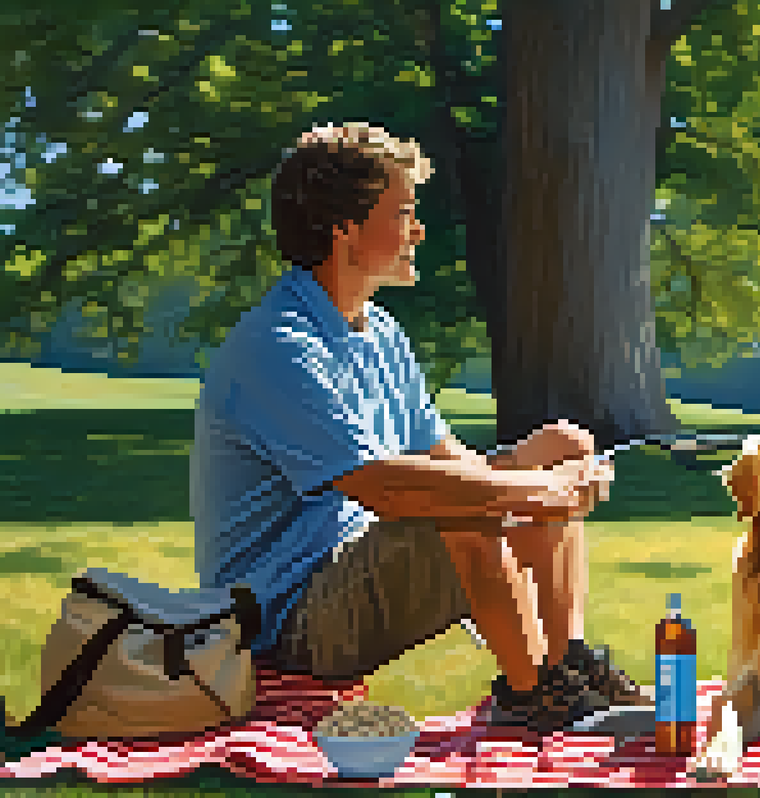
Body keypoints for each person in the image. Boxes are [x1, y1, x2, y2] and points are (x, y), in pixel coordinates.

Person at [191, 122, 649, 734]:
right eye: (403, 213)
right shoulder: (280, 346)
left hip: (356, 569)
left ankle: (566, 665)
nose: (419, 230)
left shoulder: (379, 332)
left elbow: (445, 458)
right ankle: (530, 696)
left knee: (559, 448)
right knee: (461, 507)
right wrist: (540, 493)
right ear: (344, 229)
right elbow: (384, 488)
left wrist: (550, 465)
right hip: (284, 621)